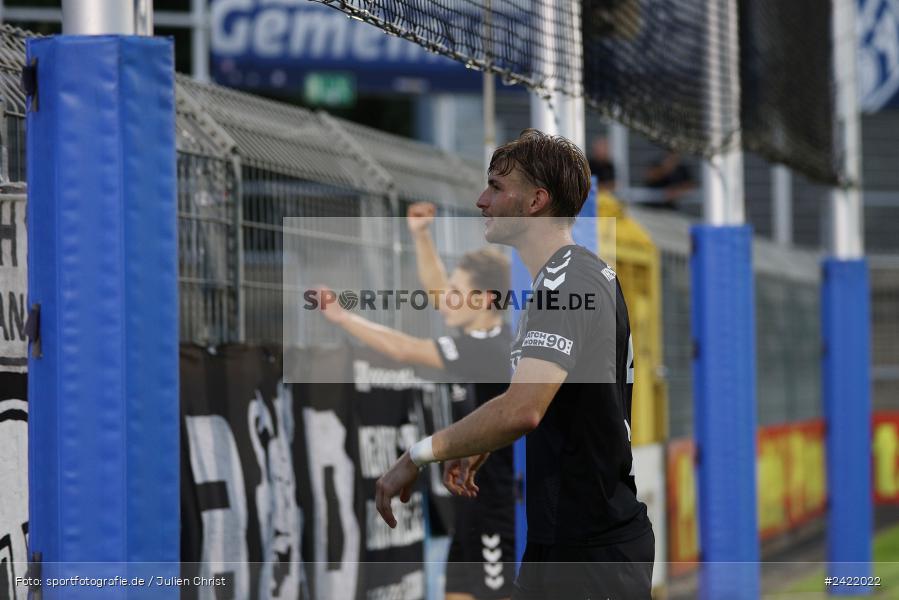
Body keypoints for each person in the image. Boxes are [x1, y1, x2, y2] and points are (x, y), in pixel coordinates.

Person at [369, 129, 655, 599]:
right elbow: (547, 400)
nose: (482, 201)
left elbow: (524, 408)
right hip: (565, 541)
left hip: (589, 550)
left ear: (536, 201)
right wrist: (483, 440)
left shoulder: (566, 282)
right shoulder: (566, 277)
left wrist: (416, 455)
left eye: (496, 187)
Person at [319, 202, 517, 600]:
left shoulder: (490, 349)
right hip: (469, 503)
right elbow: (437, 291)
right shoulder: (478, 338)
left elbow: (405, 349)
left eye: (458, 293)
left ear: (484, 300)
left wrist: (344, 318)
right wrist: (421, 235)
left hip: (494, 505)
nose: (446, 300)